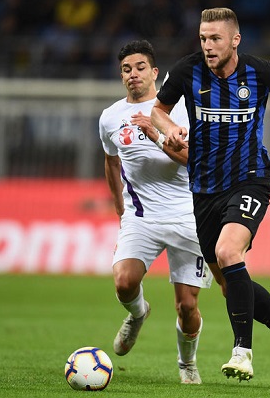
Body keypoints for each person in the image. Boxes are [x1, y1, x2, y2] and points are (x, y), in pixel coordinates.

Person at [151, 8, 270, 381]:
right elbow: (158, 109)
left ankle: (242, 352)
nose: (208, 46)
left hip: (250, 179)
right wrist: (168, 127)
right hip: (204, 188)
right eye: (203, 39)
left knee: (227, 252)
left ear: (235, 40)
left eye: (215, 39)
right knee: (228, 284)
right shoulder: (188, 71)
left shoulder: (260, 71)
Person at [98, 40, 213, 384]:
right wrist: (120, 210)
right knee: (124, 282)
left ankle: (187, 363)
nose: (133, 74)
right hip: (141, 217)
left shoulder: (179, 109)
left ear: (155, 72)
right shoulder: (110, 117)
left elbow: (194, 160)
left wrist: (155, 136)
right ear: (121, 76)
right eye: (126, 69)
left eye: (140, 67)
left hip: (188, 216)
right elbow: (111, 162)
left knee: (187, 307)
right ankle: (138, 314)